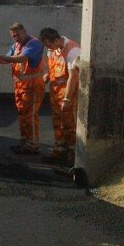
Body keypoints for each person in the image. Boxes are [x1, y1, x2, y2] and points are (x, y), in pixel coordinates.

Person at [0, 22, 45, 155]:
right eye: (14, 36)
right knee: (23, 116)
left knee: (30, 116)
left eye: (18, 35)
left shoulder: (34, 43)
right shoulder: (17, 45)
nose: (16, 38)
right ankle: (25, 142)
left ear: (24, 31)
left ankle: (33, 144)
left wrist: (0, 56)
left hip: (32, 86)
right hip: (21, 87)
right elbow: (7, 59)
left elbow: (20, 58)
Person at [39, 27, 81, 166]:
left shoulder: (72, 50)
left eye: (50, 45)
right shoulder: (52, 49)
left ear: (56, 39)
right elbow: (50, 66)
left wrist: (67, 99)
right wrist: (47, 75)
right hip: (55, 92)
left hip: (68, 92)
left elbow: (73, 77)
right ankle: (60, 151)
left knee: (69, 123)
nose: (48, 48)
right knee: (58, 123)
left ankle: (73, 155)